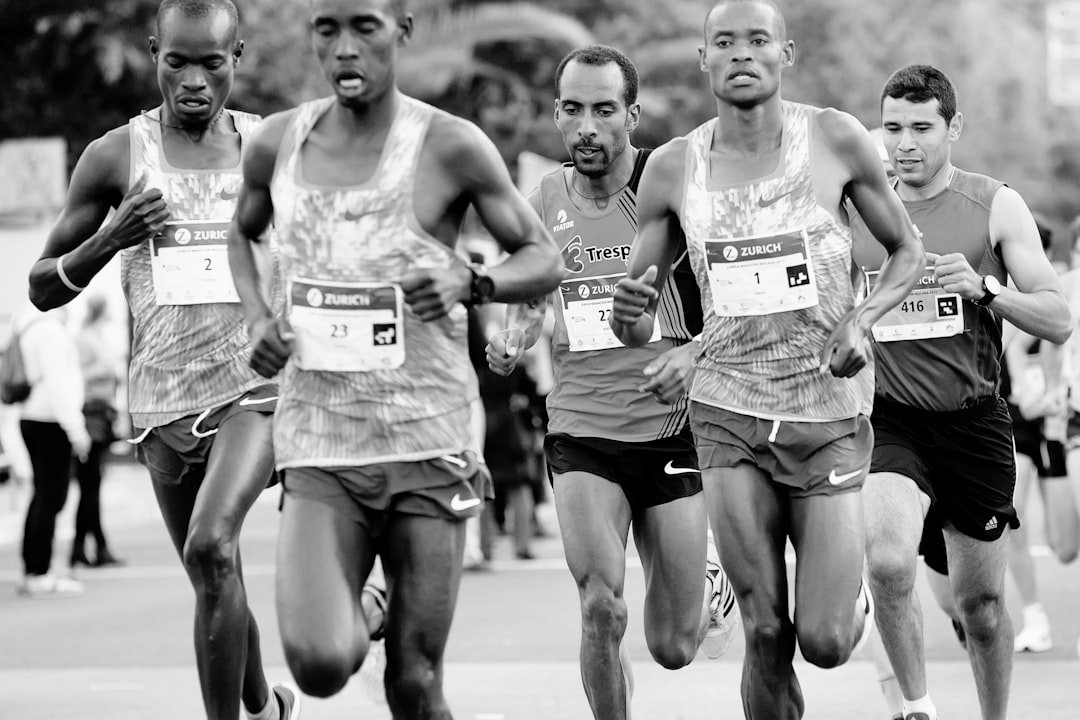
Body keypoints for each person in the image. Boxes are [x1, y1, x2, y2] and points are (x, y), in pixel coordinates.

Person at [226, 0, 563, 717]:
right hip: (321, 442)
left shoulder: (450, 145)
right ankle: (373, 607)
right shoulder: (276, 145)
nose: (345, 48)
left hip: (428, 441)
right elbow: (242, 235)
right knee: (320, 663)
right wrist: (257, 316)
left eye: (365, 28)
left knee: (412, 682)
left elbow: (542, 258)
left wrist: (471, 281)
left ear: (401, 32)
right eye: (327, 29)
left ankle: (390, 616)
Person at [610, 2, 926, 718]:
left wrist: (863, 318)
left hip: (827, 413)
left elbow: (909, 253)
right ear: (703, 59)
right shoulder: (671, 168)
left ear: (785, 52)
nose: (741, 53)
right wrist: (638, 329)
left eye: (757, 40)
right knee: (765, 629)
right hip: (728, 414)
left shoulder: (836, 139)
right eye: (724, 41)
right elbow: (638, 315)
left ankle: (853, 603)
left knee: (822, 639)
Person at [27, 2, 299, 719]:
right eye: (178, 60)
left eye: (214, 62)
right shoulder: (116, 155)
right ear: (154, 53)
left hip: (254, 390)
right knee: (215, 571)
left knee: (212, 545)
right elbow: (41, 285)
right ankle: (265, 705)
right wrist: (108, 240)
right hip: (159, 404)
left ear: (238, 57)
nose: (195, 80)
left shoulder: (270, 148)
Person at [486, 45, 739, 720]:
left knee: (674, 646)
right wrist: (512, 334)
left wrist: (694, 354)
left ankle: (710, 585)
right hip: (581, 430)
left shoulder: (668, 188)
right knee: (599, 604)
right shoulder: (543, 196)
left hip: (670, 430)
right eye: (573, 110)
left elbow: (732, 295)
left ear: (632, 113)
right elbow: (534, 291)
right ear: (558, 115)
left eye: (604, 110)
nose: (587, 127)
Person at [851, 64, 1072, 720]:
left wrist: (986, 289)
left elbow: (1059, 318)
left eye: (922, 128)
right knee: (888, 564)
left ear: (954, 129)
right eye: (893, 128)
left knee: (982, 610)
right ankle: (916, 708)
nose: (905, 143)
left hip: (974, 422)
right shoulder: (859, 204)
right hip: (889, 420)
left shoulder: (993, 204)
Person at [13, 304, 90, 597]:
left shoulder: (30, 327)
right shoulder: (51, 332)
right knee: (51, 497)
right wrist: (76, 430)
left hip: (33, 417)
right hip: (50, 421)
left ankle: (35, 569)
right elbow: (59, 385)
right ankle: (40, 571)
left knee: (43, 495)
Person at [71, 295, 124, 568]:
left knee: (92, 485)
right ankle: (95, 546)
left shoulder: (100, 337)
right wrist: (103, 371)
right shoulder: (83, 339)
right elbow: (76, 375)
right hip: (89, 413)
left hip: (103, 414)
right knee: (89, 484)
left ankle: (83, 547)